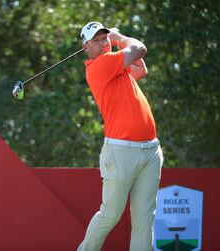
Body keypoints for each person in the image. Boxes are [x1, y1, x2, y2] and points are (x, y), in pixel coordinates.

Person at [77, 21, 164, 251]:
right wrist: (118, 36)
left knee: (145, 220)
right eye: (97, 40)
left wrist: (114, 42)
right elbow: (140, 49)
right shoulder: (100, 65)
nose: (104, 43)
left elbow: (140, 70)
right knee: (111, 214)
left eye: (105, 38)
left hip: (151, 150)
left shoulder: (114, 64)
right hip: (121, 151)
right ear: (86, 48)